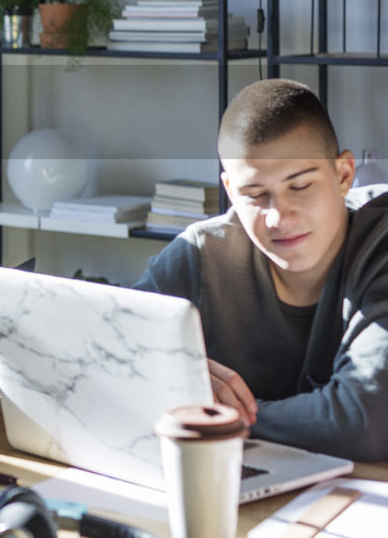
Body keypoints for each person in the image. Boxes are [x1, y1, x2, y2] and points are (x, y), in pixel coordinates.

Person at [134, 78, 388, 461]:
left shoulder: (380, 245)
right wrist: (170, 375)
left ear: (343, 175)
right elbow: (107, 353)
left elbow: (366, 420)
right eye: (254, 195)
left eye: (300, 186)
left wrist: (216, 416)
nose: (277, 217)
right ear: (230, 190)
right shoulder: (199, 255)